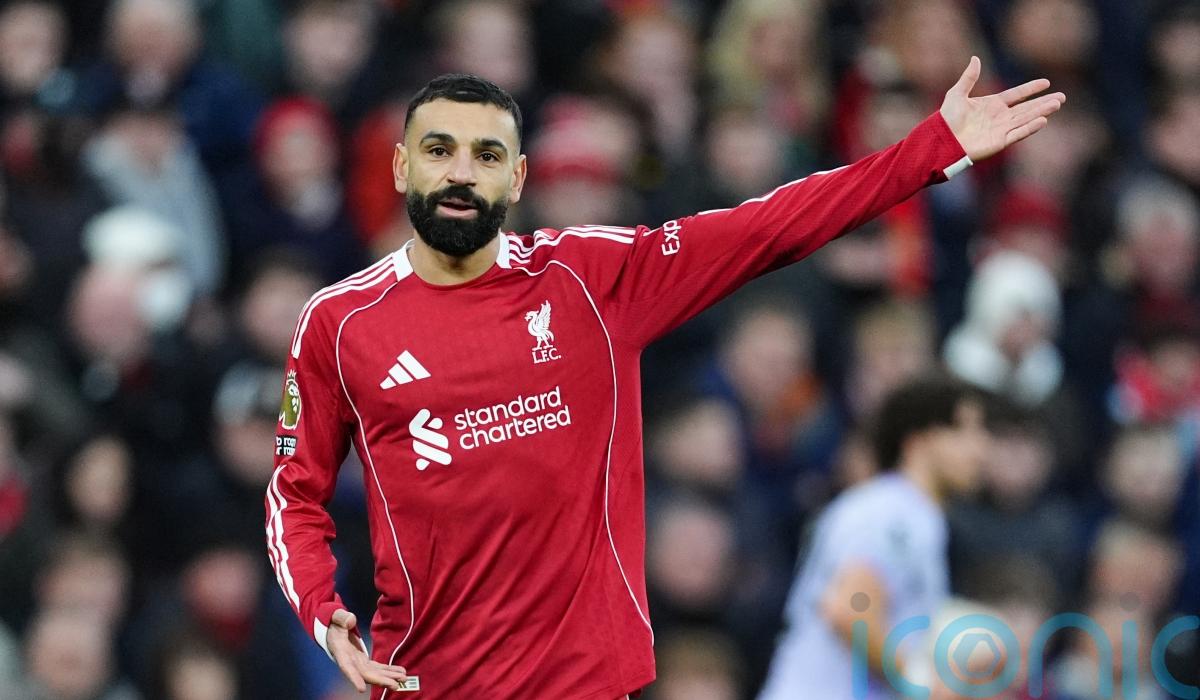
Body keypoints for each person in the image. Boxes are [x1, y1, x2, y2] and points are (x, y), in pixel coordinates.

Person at [266, 64, 1063, 698]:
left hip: (584, 683)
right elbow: (294, 496)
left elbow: (766, 228)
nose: (461, 174)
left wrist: (930, 150)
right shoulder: (339, 323)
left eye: (487, 155)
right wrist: (324, 613)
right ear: (401, 165)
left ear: (518, 178)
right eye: (439, 150)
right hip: (430, 682)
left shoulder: (589, 279)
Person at [757, 375, 990, 699]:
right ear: (917, 441)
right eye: (961, 430)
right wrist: (921, 682)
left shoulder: (910, 515)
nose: (980, 449)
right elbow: (851, 609)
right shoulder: (893, 512)